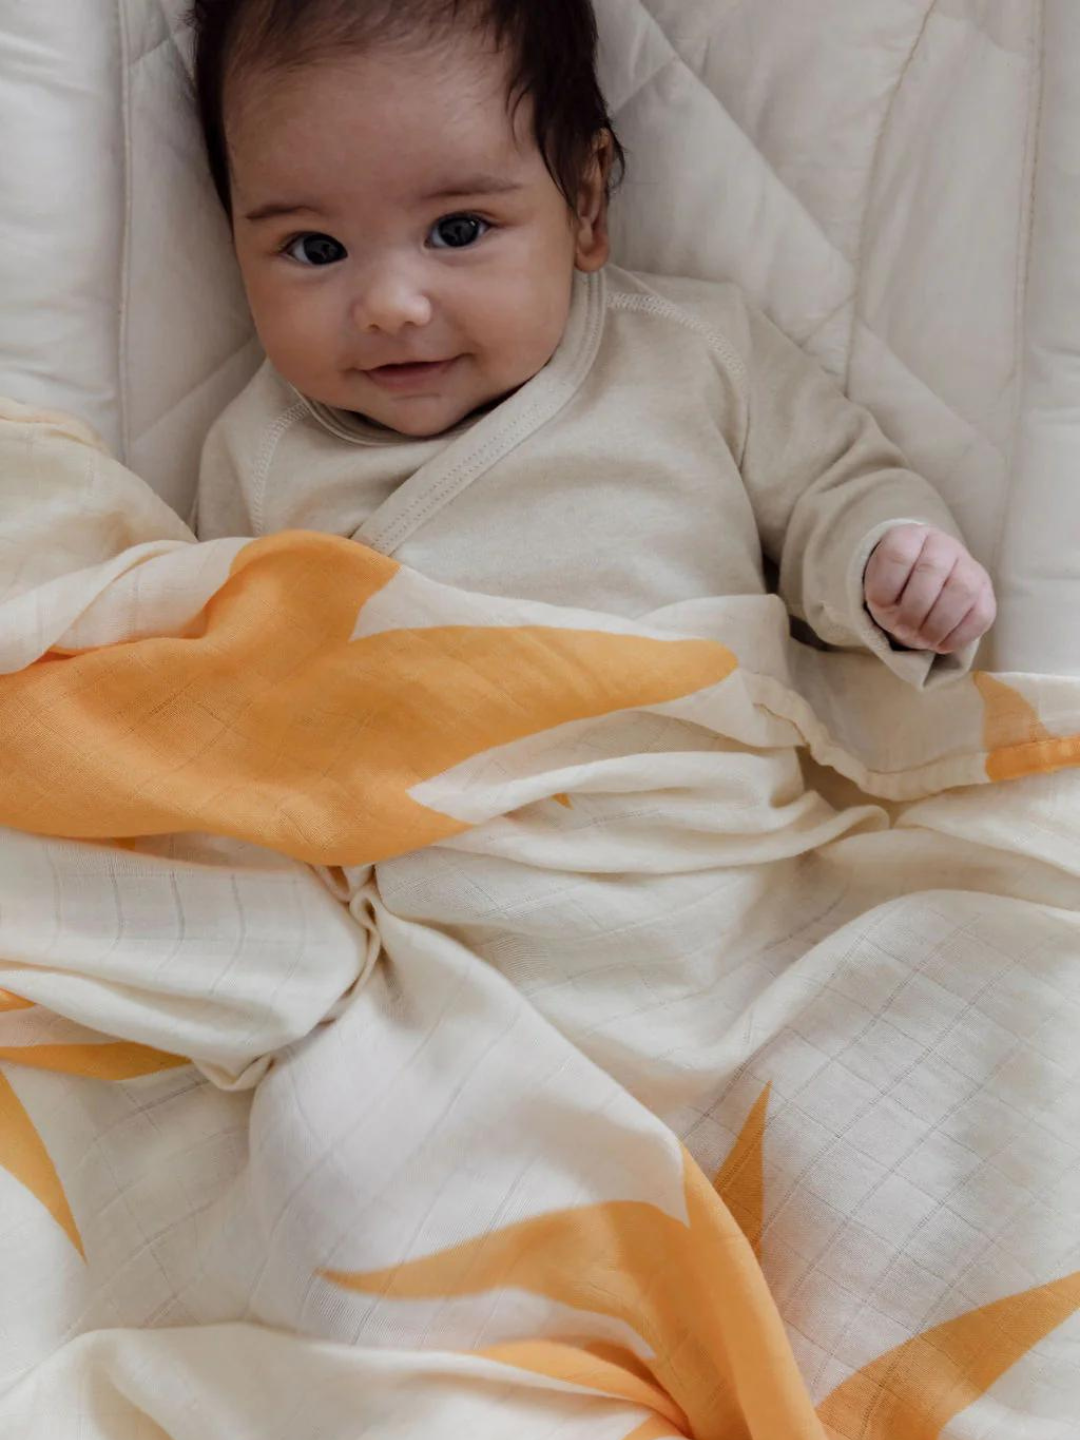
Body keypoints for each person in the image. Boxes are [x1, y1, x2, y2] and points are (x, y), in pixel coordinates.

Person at [190, 0, 996, 685]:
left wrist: (887, 563)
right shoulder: (259, 448)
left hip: (697, 795)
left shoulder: (694, 352)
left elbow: (837, 486)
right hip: (409, 831)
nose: (391, 307)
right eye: (315, 249)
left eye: (458, 230)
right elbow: (222, 683)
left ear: (584, 204)